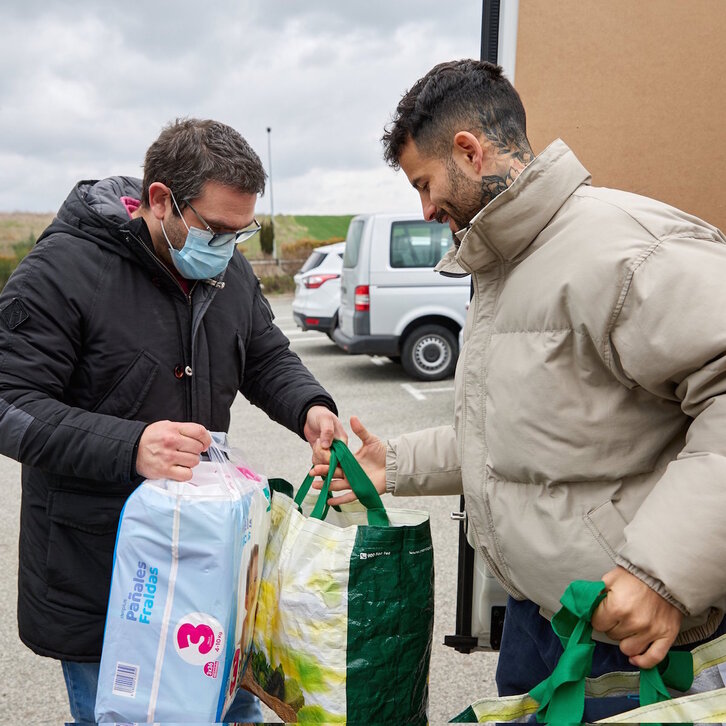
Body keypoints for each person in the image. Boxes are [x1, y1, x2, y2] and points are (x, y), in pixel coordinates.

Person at [312, 59, 726, 698]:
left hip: (631, 643)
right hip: (540, 621)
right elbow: (513, 437)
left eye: (424, 184)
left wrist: (662, 575)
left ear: (469, 152)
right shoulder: (503, 267)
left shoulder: (627, 250)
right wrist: (391, 463)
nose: (425, 210)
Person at [0, 118, 346, 724]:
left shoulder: (227, 269)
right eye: (215, 229)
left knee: (234, 713)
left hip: (210, 562)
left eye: (242, 233)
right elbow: (10, 401)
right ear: (160, 201)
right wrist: (130, 444)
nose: (227, 247)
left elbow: (265, 355)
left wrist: (312, 409)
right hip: (103, 574)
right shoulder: (63, 270)